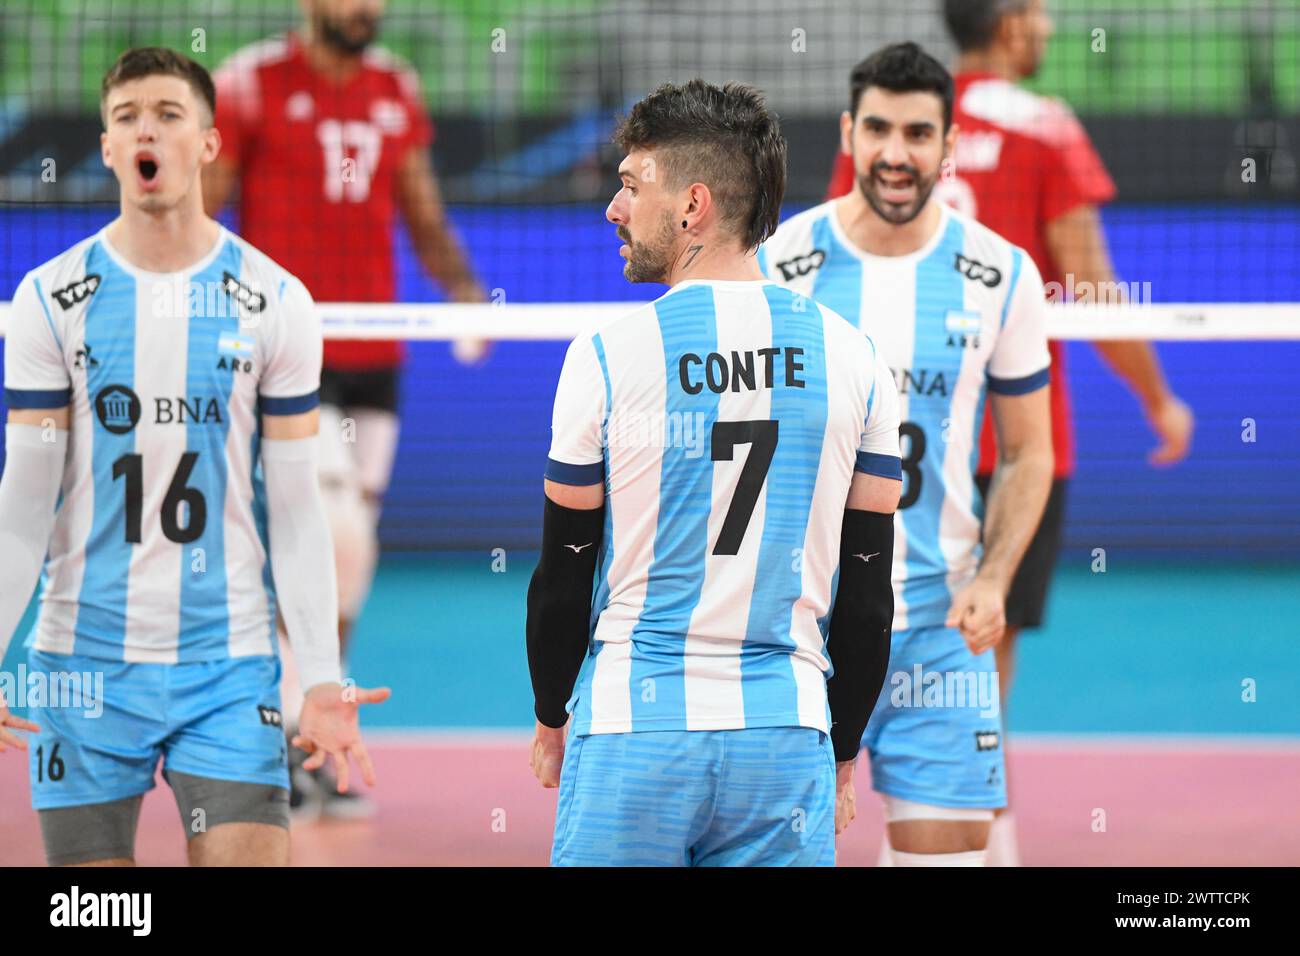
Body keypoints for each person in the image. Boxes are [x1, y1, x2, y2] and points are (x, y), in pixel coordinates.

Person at [825, 0, 1194, 864]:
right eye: (1042, 11)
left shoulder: (891, 130)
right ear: (1013, 21)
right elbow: (1092, 285)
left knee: (873, 636)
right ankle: (972, 838)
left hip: (895, 441)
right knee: (981, 654)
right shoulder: (1041, 123)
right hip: (1008, 442)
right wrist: (1158, 398)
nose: (1052, 27)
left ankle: (951, 832)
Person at [0, 47, 387, 866]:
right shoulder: (48, 298)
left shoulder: (276, 300)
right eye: (127, 117)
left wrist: (318, 677)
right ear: (107, 147)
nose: (148, 131)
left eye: (169, 115)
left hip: (229, 667)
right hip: (83, 667)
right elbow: (24, 506)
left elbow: (293, 504)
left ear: (209, 143)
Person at [525, 79, 903, 866]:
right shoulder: (855, 358)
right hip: (784, 735)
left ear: (692, 205)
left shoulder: (604, 358)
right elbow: (868, 598)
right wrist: (841, 749)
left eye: (631, 186)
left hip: (636, 729)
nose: (614, 209)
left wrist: (551, 713)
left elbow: (564, 572)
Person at [762, 42, 1054, 865]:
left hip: (936, 625)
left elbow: (1030, 453)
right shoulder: (780, 265)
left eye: (919, 133)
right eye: (879, 129)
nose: (896, 153)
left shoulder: (1000, 274)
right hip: (800, 625)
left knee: (948, 857)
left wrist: (995, 577)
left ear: (949, 145)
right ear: (850, 133)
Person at [201, 0, 486, 817]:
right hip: (287, 351)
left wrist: (467, 293)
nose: (366, 8)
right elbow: (206, 218)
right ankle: (283, 729)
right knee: (337, 534)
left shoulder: (395, 86)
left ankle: (309, 730)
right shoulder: (250, 83)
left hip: (375, 354)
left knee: (348, 550)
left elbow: (420, 211)